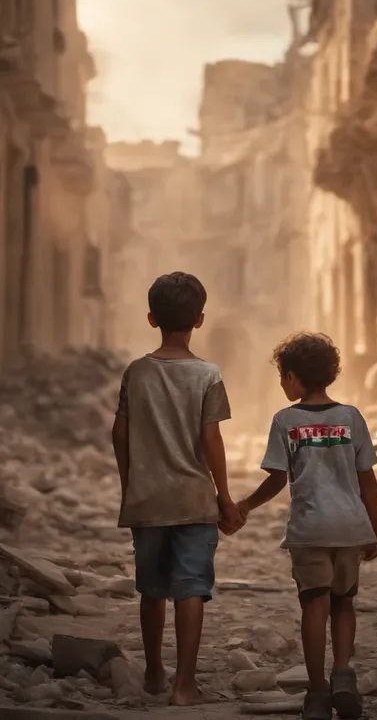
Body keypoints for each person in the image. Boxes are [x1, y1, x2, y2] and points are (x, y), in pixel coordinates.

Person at [112, 271, 242, 707]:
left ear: (151, 319)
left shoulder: (136, 372)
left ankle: (152, 672)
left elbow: (120, 432)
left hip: (148, 500)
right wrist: (224, 496)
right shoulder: (207, 375)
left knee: (151, 587)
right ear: (200, 320)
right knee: (191, 588)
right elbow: (211, 440)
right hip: (193, 500)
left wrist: (130, 484)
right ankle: (184, 684)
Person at [237, 332, 377, 720]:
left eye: (283, 375)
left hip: (310, 529)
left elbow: (277, 479)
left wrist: (245, 505)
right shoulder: (351, 417)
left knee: (314, 605)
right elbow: (366, 477)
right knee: (344, 601)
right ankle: (344, 675)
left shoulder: (285, 421)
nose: (282, 383)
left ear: (294, 377)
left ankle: (318, 692)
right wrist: (376, 528)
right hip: (351, 527)